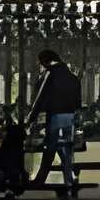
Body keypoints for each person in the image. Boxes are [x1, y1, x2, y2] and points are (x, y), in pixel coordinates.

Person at [29, 51, 82, 188]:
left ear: (45, 61)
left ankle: (41, 179)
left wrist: (32, 117)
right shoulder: (72, 77)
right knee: (66, 148)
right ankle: (68, 179)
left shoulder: (50, 74)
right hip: (69, 116)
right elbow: (78, 101)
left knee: (50, 147)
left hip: (55, 115)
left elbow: (40, 97)